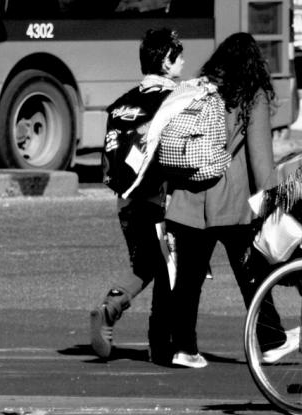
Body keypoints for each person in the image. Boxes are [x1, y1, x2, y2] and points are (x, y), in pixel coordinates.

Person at [156, 32, 295, 368]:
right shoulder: (251, 95)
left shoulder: (196, 87)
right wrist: (277, 200)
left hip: (188, 197)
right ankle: (272, 339)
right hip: (231, 201)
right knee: (252, 274)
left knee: (187, 280)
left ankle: (184, 348)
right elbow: (261, 163)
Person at [90, 27, 184, 359]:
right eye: (179, 53)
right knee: (172, 268)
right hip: (161, 197)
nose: (183, 59)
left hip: (126, 198)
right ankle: (163, 343)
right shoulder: (175, 98)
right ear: (167, 60)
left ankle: (111, 306)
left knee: (144, 265)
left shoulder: (123, 102)